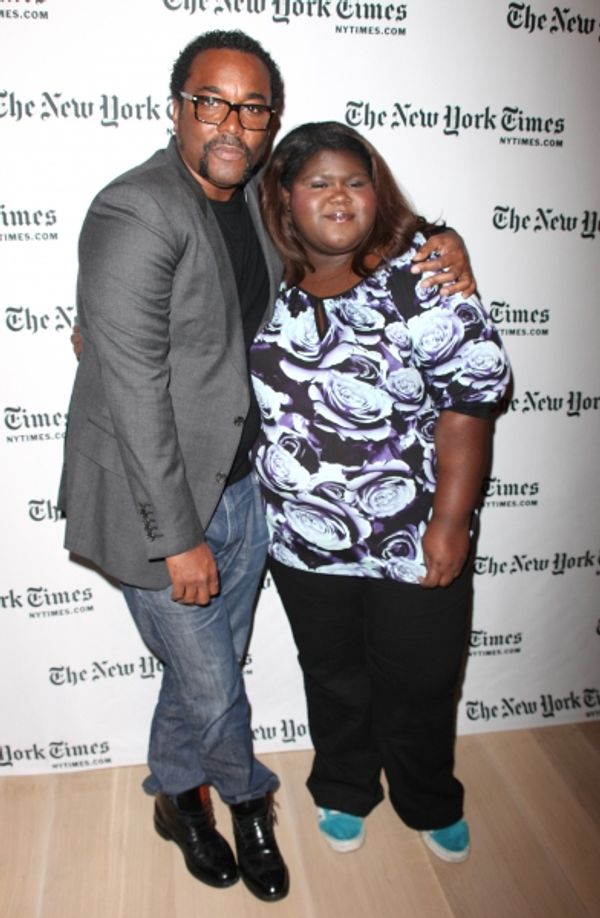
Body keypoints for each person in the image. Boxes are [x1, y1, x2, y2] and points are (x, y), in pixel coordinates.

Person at [60, 30, 475, 899]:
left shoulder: (257, 197)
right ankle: (246, 801)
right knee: (215, 683)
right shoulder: (137, 208)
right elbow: (136, 392)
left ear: (269, 122)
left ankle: (176, 793)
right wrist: (177, 539)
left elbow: (351, 214)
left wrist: (441, 241)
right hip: (159, 502)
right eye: (211, 101)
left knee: (200, 671)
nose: (232, 124)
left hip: (249, 492)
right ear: (177, 106)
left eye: (252, 109)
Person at [250, 121, 510, 863]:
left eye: (355, 181)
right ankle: (344, 784)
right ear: (285, 197)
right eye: (319, 182)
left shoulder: (421, 277)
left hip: (413, 534)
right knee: (333, 676)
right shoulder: (262, 281)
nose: (340, 196)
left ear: (377, 191)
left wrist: (451, 522)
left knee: (421, 679)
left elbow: (470, 402)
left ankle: (428, 797)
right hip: (301, 538)